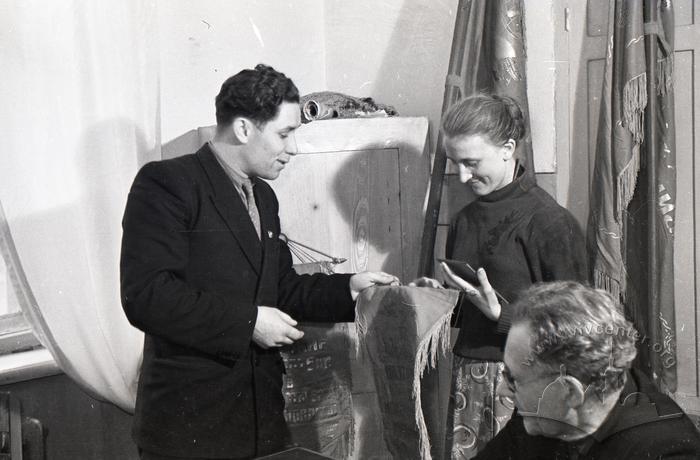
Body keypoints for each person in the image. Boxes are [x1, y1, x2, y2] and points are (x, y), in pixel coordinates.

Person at [120, 64, 398, 460]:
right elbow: (147, 295)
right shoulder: (168, 184)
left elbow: (280, 286)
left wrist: (349, 289)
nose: (294, 149)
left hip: (260, 426)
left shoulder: (263, 198)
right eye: (284, 134)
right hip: (190, 432)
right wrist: (249, 324)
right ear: (244, 129)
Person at [411, 93, 588, 458]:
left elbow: (579, 328)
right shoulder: (464, 220)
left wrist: (503, 317)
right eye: (456, 163)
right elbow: (466, 311)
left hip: (528, 383)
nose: (462, 176)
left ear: (507, 148)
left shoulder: (550, 223)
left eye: (472, 162)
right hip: (466, 375)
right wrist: (438, 301)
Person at [474, 281, 700, 459]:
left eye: (513, 379)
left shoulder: (665, 449)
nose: (503, 390)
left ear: (570, 392)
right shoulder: (540, 409)